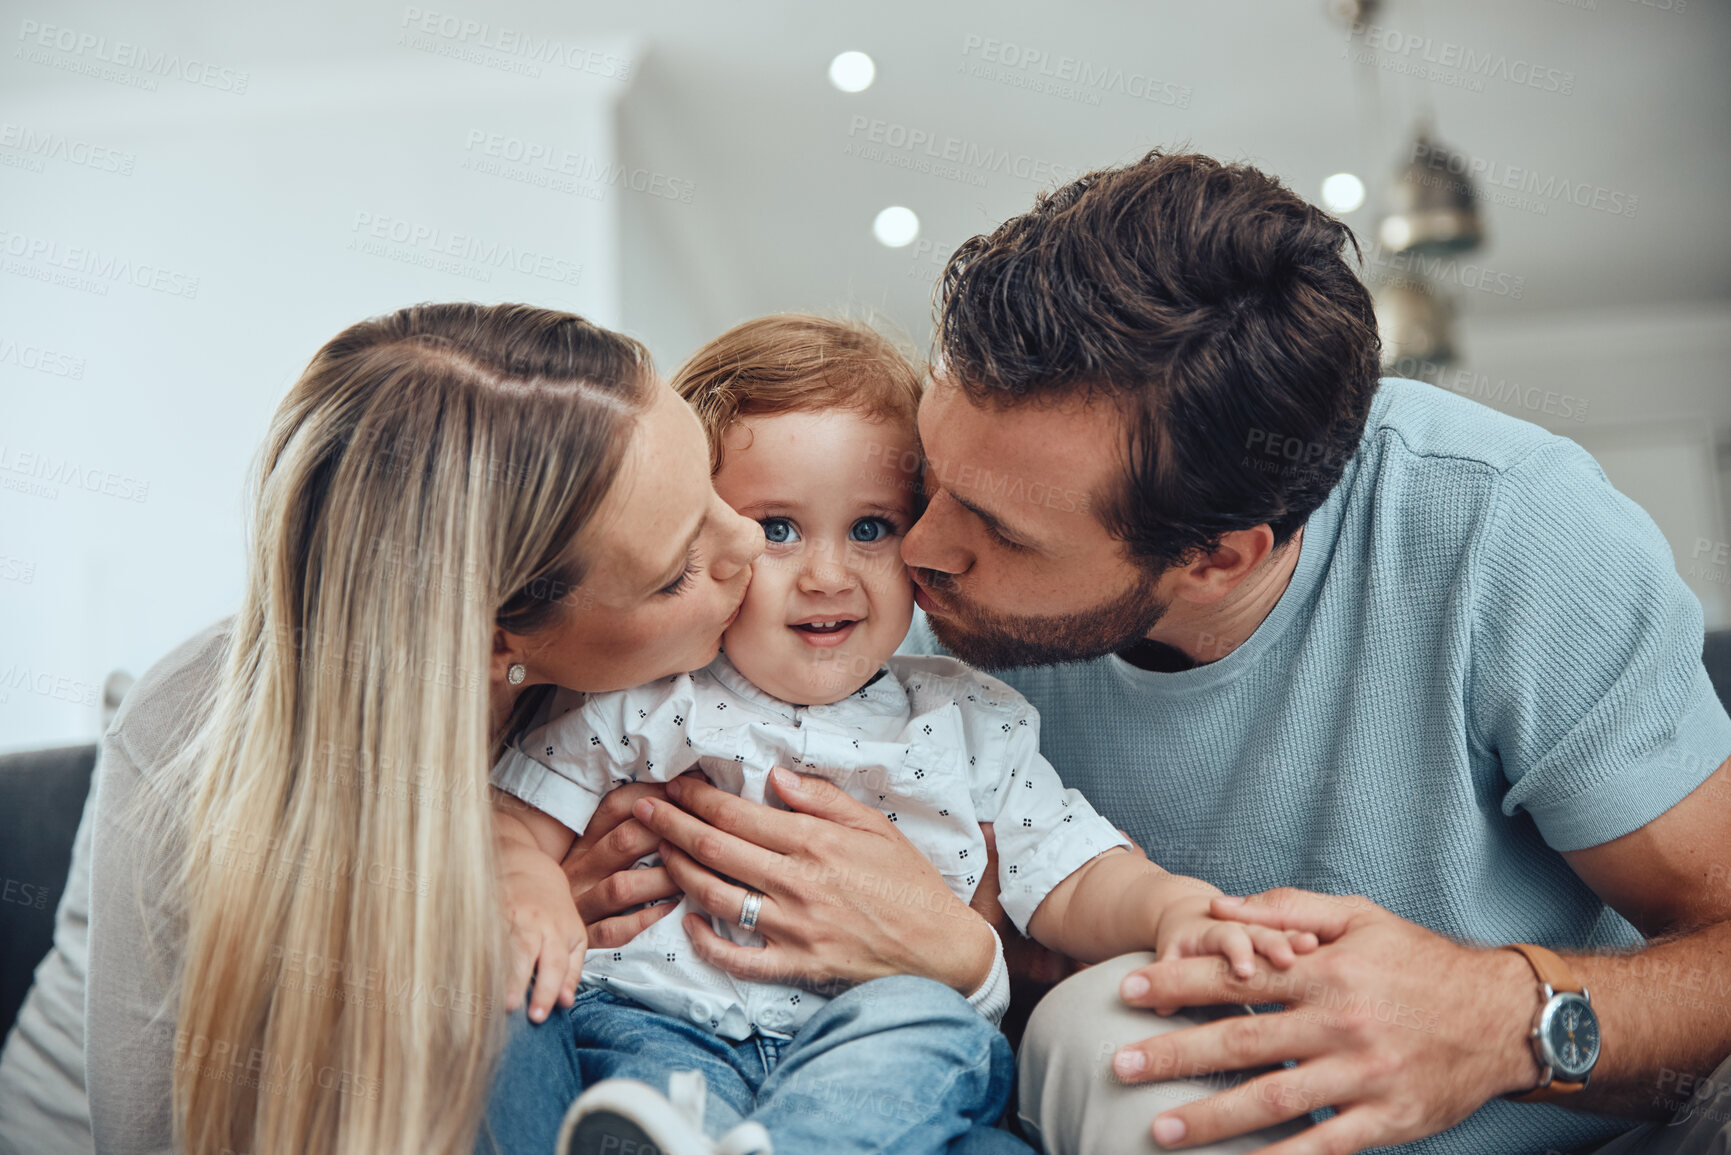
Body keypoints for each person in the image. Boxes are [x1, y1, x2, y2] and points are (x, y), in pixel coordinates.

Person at [628, 151, 1731, 1154]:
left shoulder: (1510, 536)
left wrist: (1509, 1020)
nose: (914, 550)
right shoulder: (873, 595)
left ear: (1214, 558)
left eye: (999, 531)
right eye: (927, 480)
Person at [488, 314, 1318, 1155]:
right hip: (664, 1017)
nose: (826, 574)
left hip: (875, 1041)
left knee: (930, 1022)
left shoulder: (968, 718)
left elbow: (1074, 871)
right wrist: (533, 889)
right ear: (710, 538)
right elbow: (516, 821)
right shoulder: (646, 698)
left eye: (871, 527)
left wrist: (1173, 907)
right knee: (617, 1058)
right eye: (777, 527)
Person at [8, 302, 770, 1155]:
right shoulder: (185, 737)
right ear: (494, 639)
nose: (749, 542)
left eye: (710, 486)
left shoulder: (689, 681)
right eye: (675, 575)